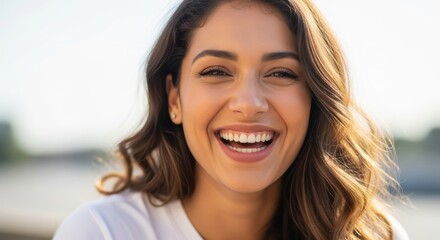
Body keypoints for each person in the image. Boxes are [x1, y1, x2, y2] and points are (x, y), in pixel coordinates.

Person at [54, 0, 409, 239]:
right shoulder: (102, 232)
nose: (249, 103)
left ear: (315, 98)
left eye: (282, 73)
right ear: (174, 98)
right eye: (217, 71)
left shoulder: (372, 234)